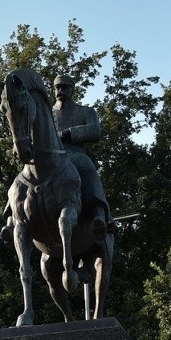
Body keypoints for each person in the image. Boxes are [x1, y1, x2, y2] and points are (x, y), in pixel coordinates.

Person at [52, 73, 110, 238]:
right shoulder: (48, 114)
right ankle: (11, 218)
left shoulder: (85, 111)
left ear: (72, 89)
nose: (60, 90)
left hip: (74, 154)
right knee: (24, 177)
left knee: (87, 167)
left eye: (64, 87)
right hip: (50, 156)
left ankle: (99, 213)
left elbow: (95, 131)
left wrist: (69, 133)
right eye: (57, 87)